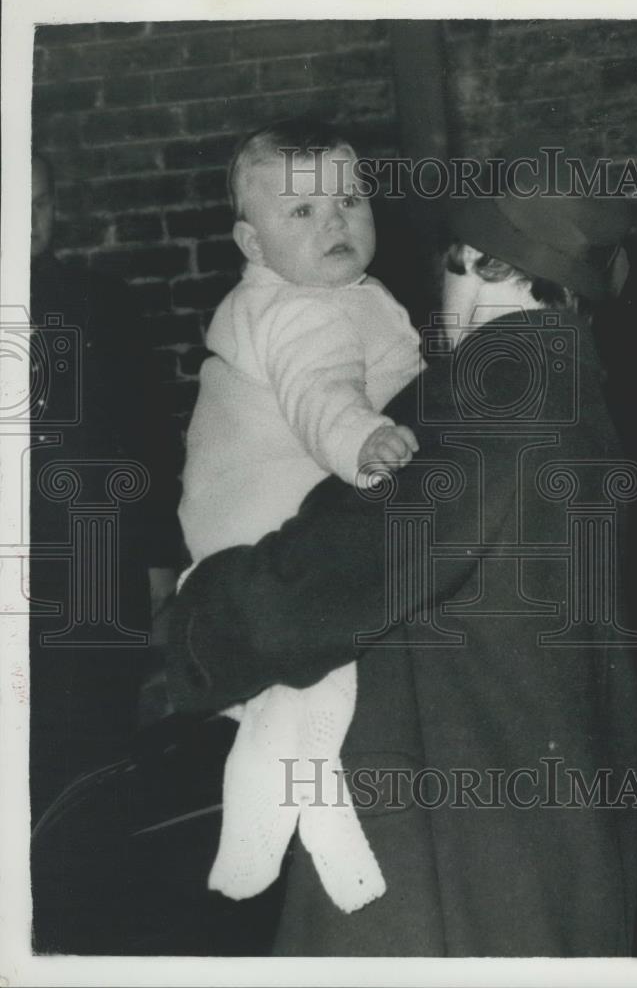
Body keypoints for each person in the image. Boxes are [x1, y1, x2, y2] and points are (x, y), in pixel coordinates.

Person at [167, 145, 637, 956]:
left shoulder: (494, 405)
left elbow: (328, 581)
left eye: (459, 268)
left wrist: (188, 626)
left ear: (475, 268)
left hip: (457, 847)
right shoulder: (575, 394)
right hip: (546, 819)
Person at [178, 119, 422, 911]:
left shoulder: (334, 295)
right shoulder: (301, 311)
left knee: (301, 695)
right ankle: (247, 855)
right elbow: (325, 397)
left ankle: (329, 855)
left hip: (238, 522)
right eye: (303, 213)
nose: (336, 223)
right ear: (252, 243)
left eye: (348, 201)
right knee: (314, 680)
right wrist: (370, 442)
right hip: (264, 527)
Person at [29, 152, 183, 821]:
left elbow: (147, 435)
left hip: (95, 562)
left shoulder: (102, 305)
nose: (27, 221)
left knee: (96, 748)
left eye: (38, 203)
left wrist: (156, 556)